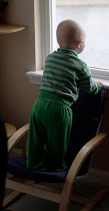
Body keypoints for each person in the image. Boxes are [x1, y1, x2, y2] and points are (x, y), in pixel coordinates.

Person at [27, 19, 104, 171]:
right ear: (79, 44)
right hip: (59, 109)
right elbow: (89, 88)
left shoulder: (50, 58)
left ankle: (33, 163)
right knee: (58, 140)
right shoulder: (79, 65)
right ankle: (56, 167)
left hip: (39, 104)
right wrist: (98, 86)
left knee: (36, 137)